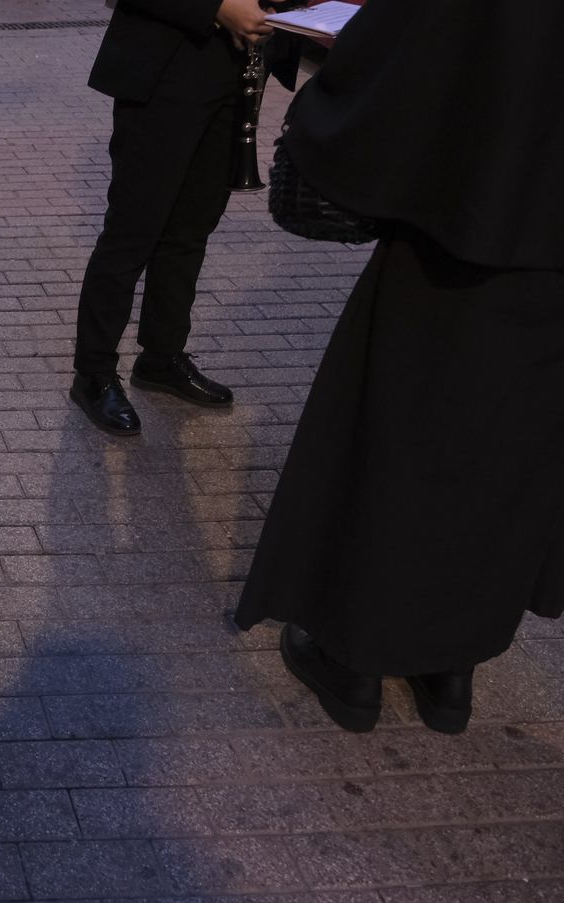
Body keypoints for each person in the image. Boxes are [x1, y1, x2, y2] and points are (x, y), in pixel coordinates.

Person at [234, 0, 564, 734]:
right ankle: (452, 669)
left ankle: (352, 660)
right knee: (511, 457)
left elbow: (413, 42)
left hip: (461, 222)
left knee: (400, 436)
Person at [69, 0, 273, 436]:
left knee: (192, 227)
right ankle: (93, 373)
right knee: (132, 231)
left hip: (235, 64)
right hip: (166, 62)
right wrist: (217, 7)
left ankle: (161, 357)